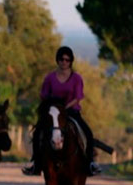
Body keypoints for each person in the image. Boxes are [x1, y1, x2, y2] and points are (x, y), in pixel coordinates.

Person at [22, 46, 102, 177]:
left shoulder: (76, 78)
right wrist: (54, 107)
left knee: (87, 133)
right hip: (54, 113)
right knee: (37, 134)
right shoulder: (49, 78)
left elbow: (78, 97)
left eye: (67, 59)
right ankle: (36, 164)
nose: (64, 62)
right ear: (57, 61)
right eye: (61, 59)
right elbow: (44, 95)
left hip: (71, 111)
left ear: (71, 61)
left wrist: (65, 108)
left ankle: (90, 163)